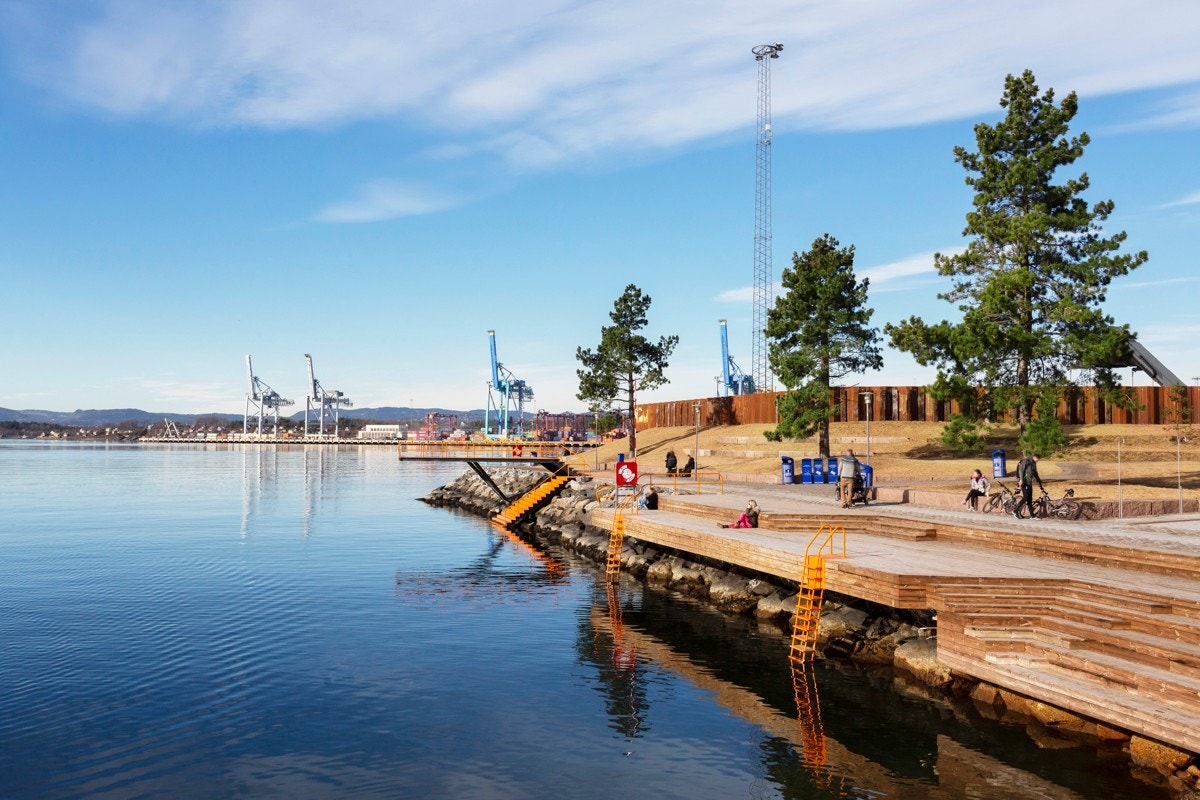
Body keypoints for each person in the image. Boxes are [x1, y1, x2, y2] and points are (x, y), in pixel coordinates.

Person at [1012, 454, 1045, 519]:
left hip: (1029, 483)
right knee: (1025, 497)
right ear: (1034, 457)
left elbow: (1035, 473)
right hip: (1024, 482)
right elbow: (1021, 470)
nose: (1037, 461)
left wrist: (1039, 481)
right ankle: (1015, 510)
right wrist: (1021, 480)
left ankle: (1032, 515)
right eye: (1037, 460)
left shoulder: (1033, 463)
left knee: (1029, 499)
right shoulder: (1026, 461)